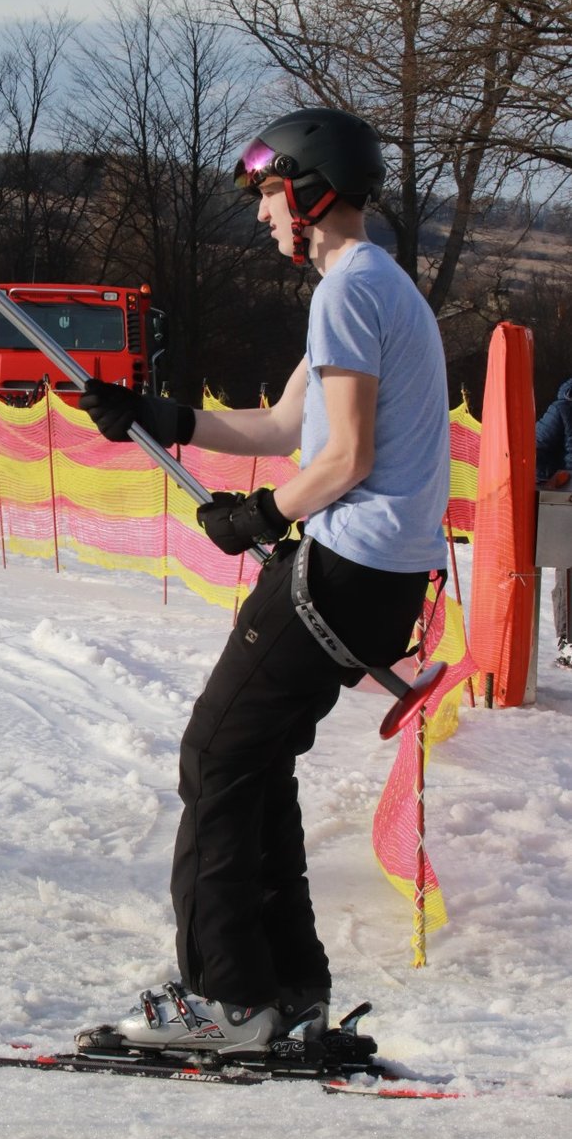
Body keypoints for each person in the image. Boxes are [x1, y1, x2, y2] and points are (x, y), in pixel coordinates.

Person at [77, 106, 450, 1058]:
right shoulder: (372, 285)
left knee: (214, 758)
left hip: (347, 564)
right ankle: (286, 990)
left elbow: (348, 458)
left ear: (312, 190)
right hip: (377, 574)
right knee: (254, 761)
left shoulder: (350, 290)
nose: (260, 215)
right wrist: (157, 416)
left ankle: (225, 999)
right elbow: (292, 429)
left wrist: (263, 517)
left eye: (269, 194)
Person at [535, 378, 572, 669]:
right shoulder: (563, 408)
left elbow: (534, 446)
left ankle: (569, 641)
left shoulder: (561, 408)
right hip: (566, 498)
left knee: (568, 570)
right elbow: (537, 446)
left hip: (565, 498)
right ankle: (569, 641)